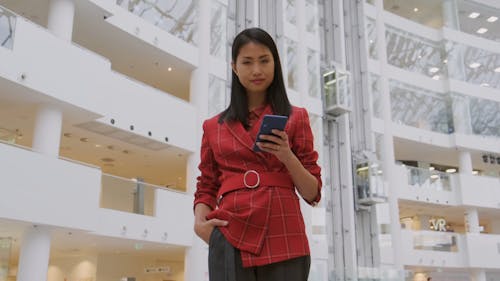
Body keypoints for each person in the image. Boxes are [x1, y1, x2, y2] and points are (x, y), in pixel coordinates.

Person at [193, 27, 322, 281]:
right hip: (229, 233)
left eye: (264, 60)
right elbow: (206, 185)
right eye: (247, 62)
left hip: (283, 230)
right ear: (234, 67)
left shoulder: (297, 118)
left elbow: (313, 192)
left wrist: (286, 155)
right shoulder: (212, 127)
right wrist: (199, 224)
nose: (256, 70)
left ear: (276, 64)